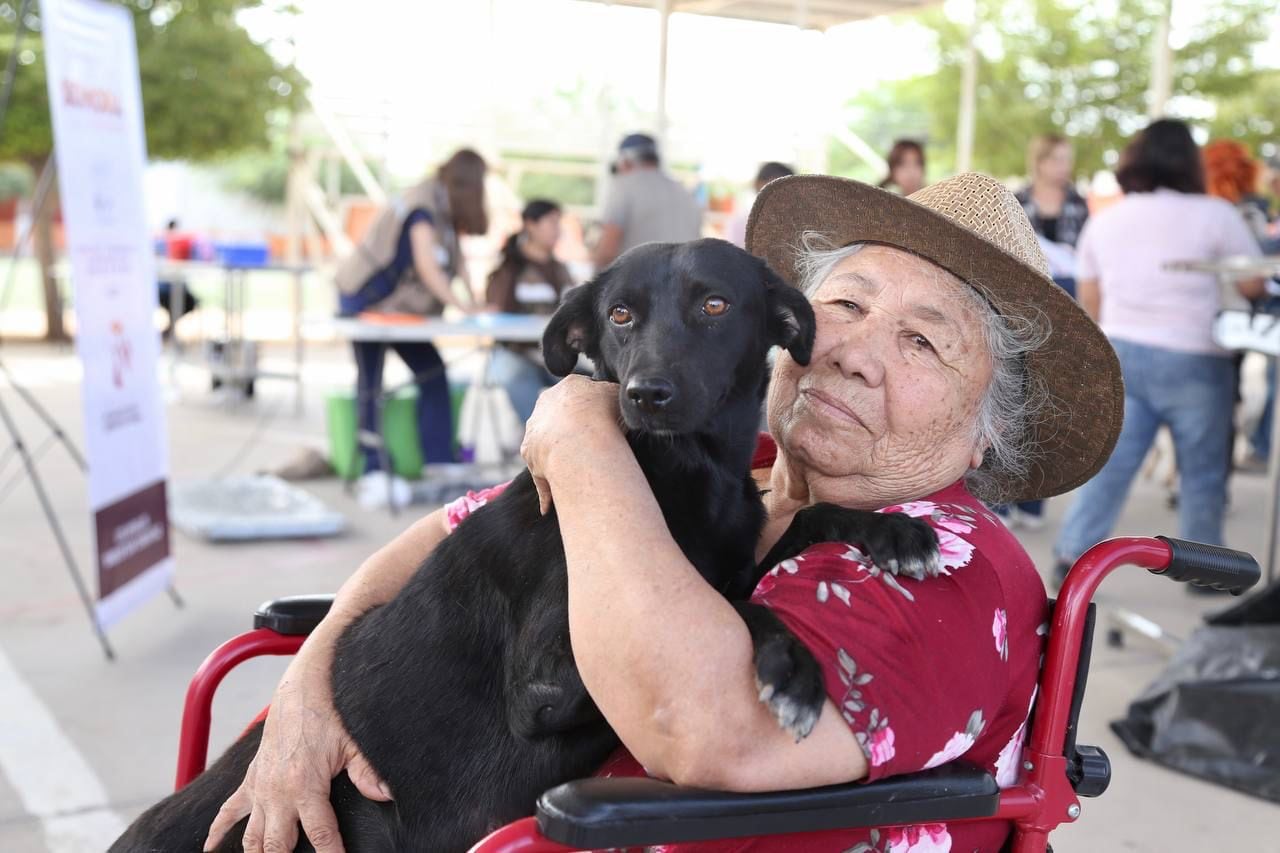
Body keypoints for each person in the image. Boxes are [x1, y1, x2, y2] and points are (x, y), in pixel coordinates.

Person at [204, 173, 1124, 853]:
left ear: (986, 435)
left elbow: (708, 729)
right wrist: (306, 692)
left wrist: (579, 431)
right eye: (846, 304)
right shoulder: (723, 463)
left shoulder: (951, 567)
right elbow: (445, 535)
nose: (854, 351)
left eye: (921, 340)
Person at [1052, 119, 1265, 586]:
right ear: (1190, 163)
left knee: (1112, 468)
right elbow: (1253, 282)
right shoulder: (1216, 215)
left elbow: (1091, 299)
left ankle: (1072, 555)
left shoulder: (1107, 220)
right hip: (1195, 357)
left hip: (1123, 353)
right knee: (1202, 473)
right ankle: (1207, 573)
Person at [333, 149, 487, 497]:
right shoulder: (421, 206)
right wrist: (461, 305)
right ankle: (373, 468)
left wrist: (474, 298)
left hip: (400, 309)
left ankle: (440, 460)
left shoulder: (444, 205)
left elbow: (457, 258)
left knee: (432, 372)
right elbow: (427, 267)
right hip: (364, 299)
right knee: (371, 381)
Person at [1000, 135, 1090, 530]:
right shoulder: (1016, 200)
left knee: (1047, 402)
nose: (1063, 167)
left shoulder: (1079, 203)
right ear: (1039, 161)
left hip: (1067, 303)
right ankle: (1001, 498)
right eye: (1056, 159)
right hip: (1021, 304)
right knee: (1009, 398)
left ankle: (1033, 500)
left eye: (1067, 159)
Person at [484, 199, 575, 424]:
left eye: (559, 223)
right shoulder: (509, 267)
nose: (557, 230)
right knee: (519, 379)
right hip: (512, 351)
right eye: (551, 222)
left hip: (552, 353)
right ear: (530, 225)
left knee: (586, 385)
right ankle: (535, 438)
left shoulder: (562, 270)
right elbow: (495, 312)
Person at [591, 133, 702, 269]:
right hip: (682, 279)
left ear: (625, 160)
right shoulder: (685, 192)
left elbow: (608, 249)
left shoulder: (623, 186)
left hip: (639, 279)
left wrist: (594, 277)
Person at [723, 161, 795, 248]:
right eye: (772, 187)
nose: (778, 194)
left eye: (785, 190)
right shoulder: (740, 222)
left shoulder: (794, 224)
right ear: (757, 184)